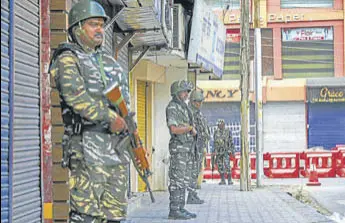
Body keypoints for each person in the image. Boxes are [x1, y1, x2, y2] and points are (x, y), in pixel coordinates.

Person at [49, 1, 131, 222]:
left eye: (102, 25)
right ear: (77, 28)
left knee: (115, 213)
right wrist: (109, 117)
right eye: (93, 24)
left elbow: (126, 106)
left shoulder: (111, 63)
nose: (100, 30)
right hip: (86, 148)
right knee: (87, 214)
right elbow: (76, 98)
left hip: (115, 149)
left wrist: (129, 132)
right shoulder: (67, 57)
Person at [165, 80, 197, 220]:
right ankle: (174, 209)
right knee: (177, 180)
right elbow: (174, 129)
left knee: (184, 180)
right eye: (184, 91)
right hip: (179, 150)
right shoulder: (173, 108)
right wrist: (189, 128)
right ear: (177, 93)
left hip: (186, 150)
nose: (186, 94)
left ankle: (181, 208)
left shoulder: (184, 107)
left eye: (187, 92)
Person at [187, 88, 210, 204]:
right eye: (197, 101)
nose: (199, 103)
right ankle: (190, 195)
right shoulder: (189, 113)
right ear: (192, 101)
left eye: (201, 101)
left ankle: (193, 193)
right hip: (193, 147)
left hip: (199, 146)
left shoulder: (198, 112)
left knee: (196, 171)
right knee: (192, 171)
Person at [213, 119, 234, 185]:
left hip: (226, 150)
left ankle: (229, 180)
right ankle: (222, 180)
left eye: (221, 124)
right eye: (218, 125)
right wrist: (214, 151)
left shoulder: (228, 131)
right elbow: (214, 142)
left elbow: (231, 141)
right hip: (219, 151)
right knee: (219, 165)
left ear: (223, 124)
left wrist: (231, 150)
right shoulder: (216, 132)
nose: (219, 126)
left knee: (227, 165)